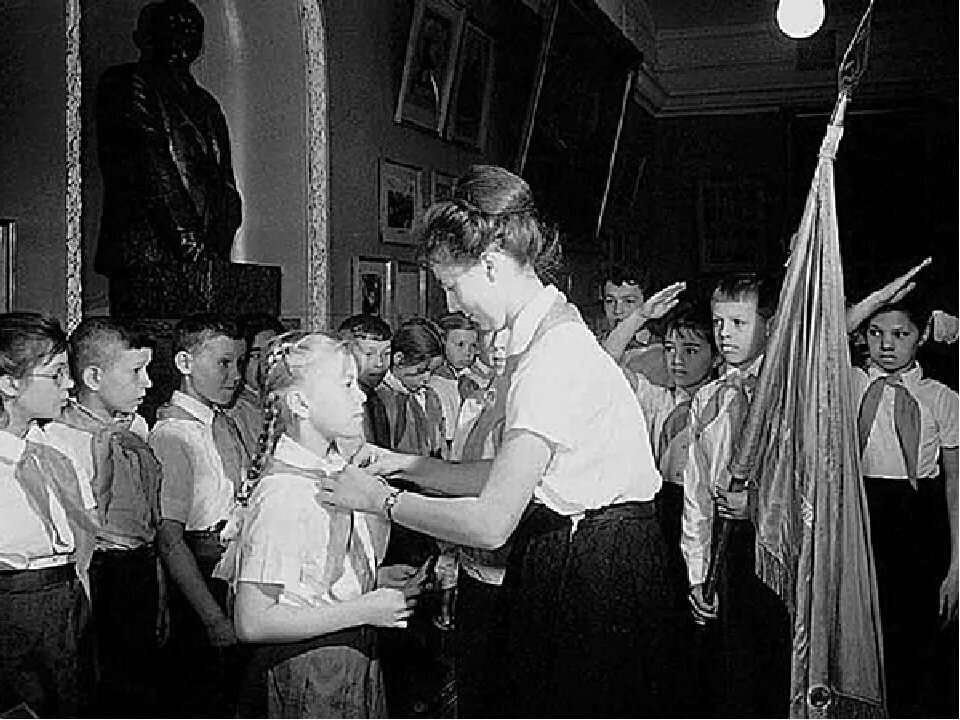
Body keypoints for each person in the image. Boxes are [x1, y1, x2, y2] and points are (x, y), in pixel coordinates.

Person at [319, 165, 684, 718]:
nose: (453, 302)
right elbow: (504, 473)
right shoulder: (541, 332)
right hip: (576, 551)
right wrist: (403, 464)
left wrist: (381, 500)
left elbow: (492, 521)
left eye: (451, 284)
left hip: (597, 569)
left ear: (490, 264)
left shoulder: (553, 355)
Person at [212, 331, 421, 717]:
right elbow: (253, 621)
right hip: (310, 664)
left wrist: (367, 580)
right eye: (345, 384)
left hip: (348, 653)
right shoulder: (284, 492)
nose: (360, 397)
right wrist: (361, 609)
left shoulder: (330, 472)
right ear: (300, 403)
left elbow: (308, 575)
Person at [682, 272, 792, 718]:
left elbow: (805, 478)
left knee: (775, 672)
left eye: (739, 323)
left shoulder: (788, 395)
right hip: (726, 552)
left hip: (777, 549)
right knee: (731, 677)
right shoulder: (708, 399)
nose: (724, 334)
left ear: (769, 325)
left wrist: (760, 506)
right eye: (718, 322)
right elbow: (695, 494)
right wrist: (696, 573)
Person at [43, 317, 164, 716]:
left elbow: (148, 516)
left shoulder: (137, 427)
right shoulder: (58, 438)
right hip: (97, 572)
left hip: (140, 567)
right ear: (93, 377)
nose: (147, 383)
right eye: (135, 371)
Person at [848, 282, 958, 717]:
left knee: (916, 645)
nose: (887, 345)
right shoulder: (849, 383)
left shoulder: (941, 398)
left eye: (901, 334)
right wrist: (871, 304)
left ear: (922, 335)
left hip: (920, 524)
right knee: (863, 641)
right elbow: (823, 339)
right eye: (876, 333)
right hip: (861, 517)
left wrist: (956, 564)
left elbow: (955, 484)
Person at [95, 0, 242, 304]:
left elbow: (223, 179)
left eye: (192, 28)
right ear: (145, 37)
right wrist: (191, 243)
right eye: (174, 26)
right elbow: (149, 165)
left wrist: (220, 240)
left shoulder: (207, 104)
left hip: (206, 256)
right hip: (148, 253)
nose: (185, 35)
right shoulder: (127, 82)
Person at [0, 313, 97, 717]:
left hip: (65, 608)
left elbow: (82, 544)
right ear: (10, 384)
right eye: (56, 375)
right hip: (11, 615)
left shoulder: (56, 455)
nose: (69, 384)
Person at [150, 314, 247, 717]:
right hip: (200, 577)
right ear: (185, 363)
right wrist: (212, 617)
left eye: (239, 363)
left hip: (234, 568)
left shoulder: (223, 423)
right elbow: (170, 539)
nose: (235, 376)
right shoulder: (174, 435)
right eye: (223, 363)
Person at [378, 317, 445, 458]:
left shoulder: (430, 397)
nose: (427, 378)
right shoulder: (381, 397)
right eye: (421, 370)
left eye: (431, 371)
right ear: (399, 359)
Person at [599, 262, 673, 387]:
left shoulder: (659, 353)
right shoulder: (593, 343)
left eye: (629, 301)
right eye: (610, 301)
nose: (617, 310)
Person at [230, 314, 285, 456]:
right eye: (255, 355)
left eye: (272, 353)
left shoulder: (290, 401)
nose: (265, 363)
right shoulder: (234, 412)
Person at [428, 311, 481, 456]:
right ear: (443, 343)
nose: (467, 352)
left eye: (473, 346)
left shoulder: (474, 381)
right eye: (460, 345)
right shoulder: (434, 383)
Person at [338, 315, 393, 449]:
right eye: (369, 354)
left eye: (386, 354)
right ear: (345, 353)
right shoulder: (336, 403)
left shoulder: (379, 400)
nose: (379, 363)